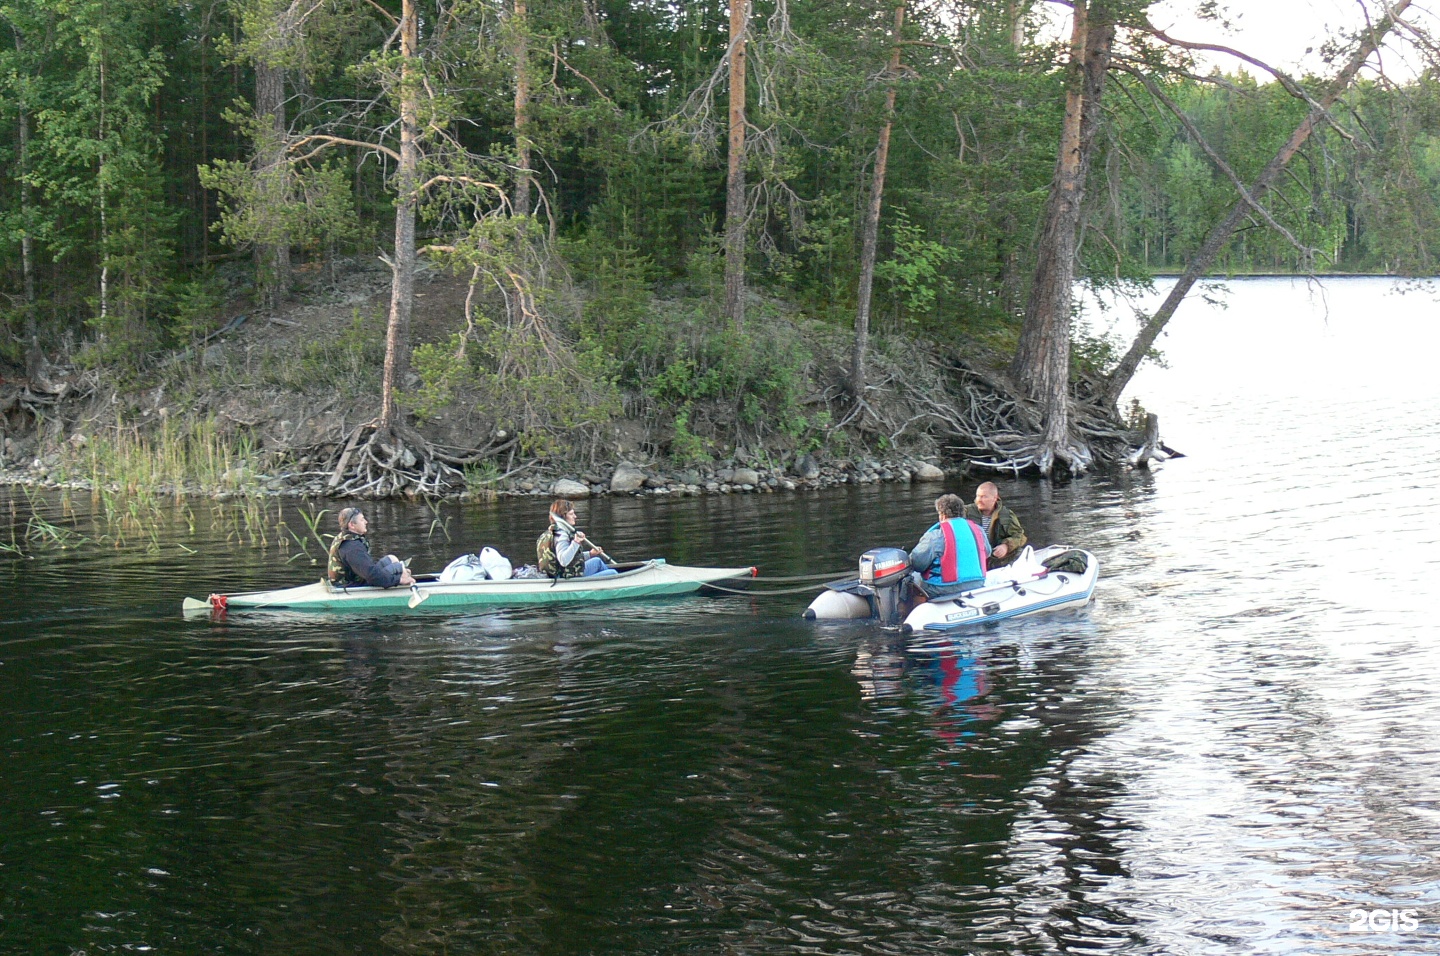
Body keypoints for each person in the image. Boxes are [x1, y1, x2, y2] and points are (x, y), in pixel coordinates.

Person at [908, 493, 990, 599]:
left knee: (911, 579)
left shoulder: (935, 536)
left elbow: (917, 563)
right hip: (977, 584)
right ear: (962, 513)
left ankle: (908, 612)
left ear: (942, 515)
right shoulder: (979, 530)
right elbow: (987, 552)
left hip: (942, 589)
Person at [327, 507, 416, 588]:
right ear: (352, 525)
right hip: (349, 586)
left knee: (391, 558)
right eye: (362, 520)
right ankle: (404, 580)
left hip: (356, 579)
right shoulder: (351, 547)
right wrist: (398, 580)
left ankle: (404, 575)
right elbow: (371, 575)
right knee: (398, 568)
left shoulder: (346, 537)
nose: (366, 522)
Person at [537, 499, 618, 578]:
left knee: (597, 561)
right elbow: (563, 560)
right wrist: (576, 543)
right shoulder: (561, 535)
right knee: (613, 573)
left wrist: (590, 554)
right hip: (565, 578)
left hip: (564, 572)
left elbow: (570, 558)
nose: (575, 516)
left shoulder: (550, 532)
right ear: (564, 516)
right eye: (571, 514)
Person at [963, 481, 1027, 569]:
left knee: (1019, 552)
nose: (979, 500)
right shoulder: (965, 512)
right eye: (978, 496)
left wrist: (1006, 546)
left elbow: (1019, 536)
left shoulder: (1006, 515)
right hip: (972, 556)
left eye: (984, 497)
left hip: (995, 557)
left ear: (995, 498)